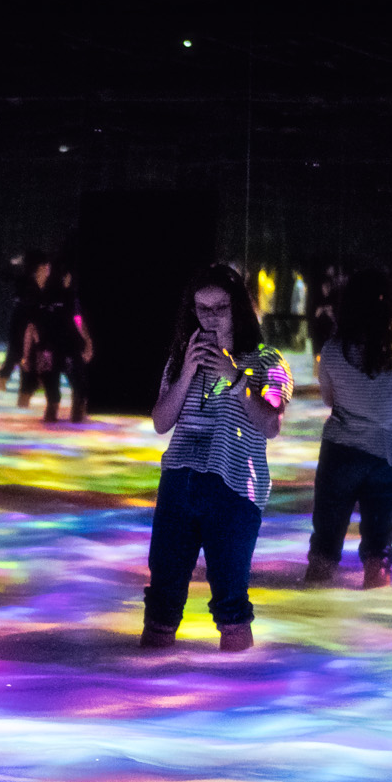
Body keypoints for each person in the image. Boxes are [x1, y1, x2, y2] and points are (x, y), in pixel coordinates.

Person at [141, 263, 293, 653]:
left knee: (231, 603)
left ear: (238, 308)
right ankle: (150, 677)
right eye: (202, 309)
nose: (210, 318)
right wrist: (187, 371)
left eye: (220, 308)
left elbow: (271, 424)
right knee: (161, 601)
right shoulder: (181, 358)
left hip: (234, 487)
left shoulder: (268, 360)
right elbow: (161, 422)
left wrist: (236, 376)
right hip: (179, 480)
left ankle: (237, 681)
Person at [305, 268, 392, 589]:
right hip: (390, 457)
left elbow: (329, 400)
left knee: (324, 547)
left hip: (341, 455)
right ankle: (375, 598)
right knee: (378, 549)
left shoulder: (332, 351)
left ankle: (316, 604)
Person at [25, 263, 93, 423]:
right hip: (49, 348)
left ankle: (75, 412)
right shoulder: (40, 298)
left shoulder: (67, 296)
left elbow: (78, 320)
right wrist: (29, 354)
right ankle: (55, 410)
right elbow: (32, 327)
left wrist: (87, 343)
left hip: (67, 346)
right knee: (53, 388)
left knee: (77, 384)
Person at [8, 253, 53, 407]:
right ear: (39, 269)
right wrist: (27, 353)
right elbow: (29, 325)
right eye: (45, 268)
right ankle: (21, 410)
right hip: (30, 344)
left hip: (44, 345)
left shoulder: (48, 291)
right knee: (27, 384)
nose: (48, 271)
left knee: (40, 384)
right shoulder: (29, 292)